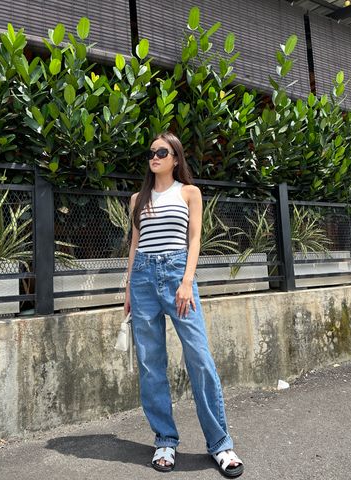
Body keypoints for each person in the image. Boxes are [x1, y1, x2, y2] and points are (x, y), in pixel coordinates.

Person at [124, 131, 244, 477]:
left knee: (200, 357)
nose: (155, 156)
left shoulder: (190, 192)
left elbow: (194, 237)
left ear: (175, 157)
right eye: (151, 152)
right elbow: (134, 245)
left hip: (178, 274)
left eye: (162, 151)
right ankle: (165, 440)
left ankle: (221, 444)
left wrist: (187, 280)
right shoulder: (138, 198)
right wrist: (128, 288)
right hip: (144, 277)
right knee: (150, 363)